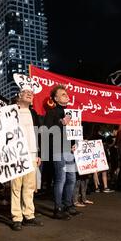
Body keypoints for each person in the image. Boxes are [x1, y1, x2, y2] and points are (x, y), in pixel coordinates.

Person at [9, 88, 43, 231]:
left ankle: (29, 215)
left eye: (31, 93)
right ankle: (17, 217)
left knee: (29, 187)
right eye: (26, 92)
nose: (30, 94)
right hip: (16, 154)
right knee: (16, 186)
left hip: (32, 154)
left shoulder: (33, 113)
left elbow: (37, 133)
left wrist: (38, 153)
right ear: (18, 96)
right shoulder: (11, 111)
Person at [44, 85, 78, 220]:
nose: (66, 95)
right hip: (58, 151)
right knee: (61, 179)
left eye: (66, 93)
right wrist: (61, 123)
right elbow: (46, 131)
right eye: (63, 94)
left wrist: (74, 143)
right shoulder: (51, 113)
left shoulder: (71, 113)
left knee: (72, 178)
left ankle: (68, 205)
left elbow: (72, 131)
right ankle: (57, 208)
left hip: (69, 152)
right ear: (56, 98)